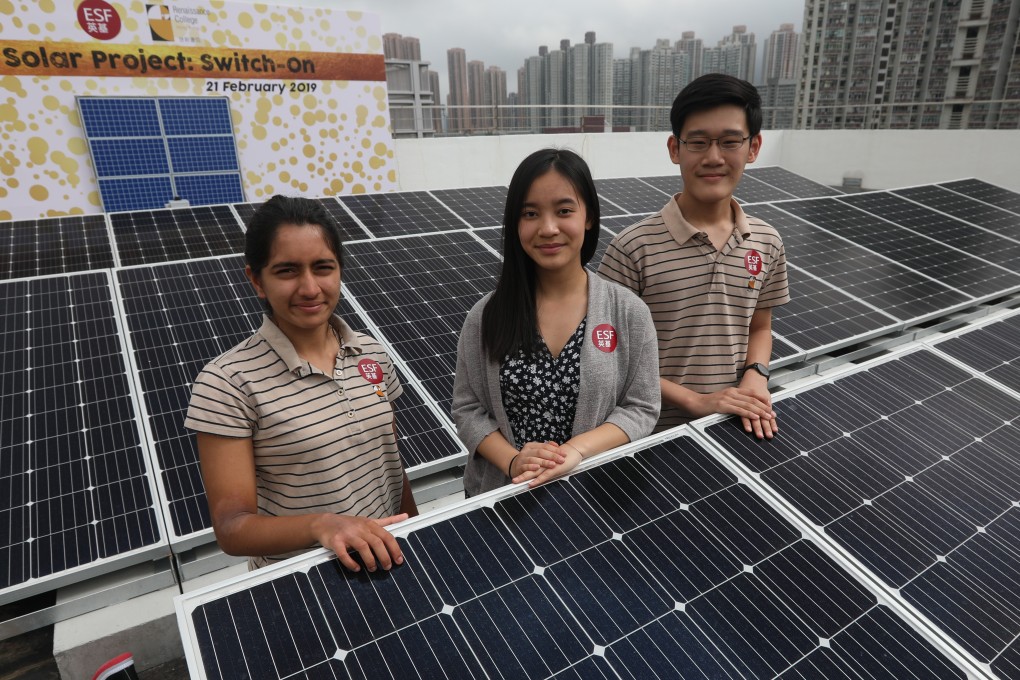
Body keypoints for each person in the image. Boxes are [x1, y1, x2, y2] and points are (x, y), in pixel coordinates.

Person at [184, 195, 416, 572]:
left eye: (323, 267)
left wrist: (416, 530)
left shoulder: (373, 354)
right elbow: (232, 528)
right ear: (257, 280)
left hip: (387, 557)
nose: (310, 288)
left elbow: (390, 464)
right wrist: (322, 525)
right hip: (301, 584)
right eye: (288, 271)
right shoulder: (226, 384)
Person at [452, 148, 660, 496]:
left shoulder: (628, 312)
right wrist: (515, 461)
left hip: (595, 493)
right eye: (530, 213)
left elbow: (642, 407)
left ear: (589, 216)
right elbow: (468, 407)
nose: (548, 228)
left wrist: (576, 451)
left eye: (564, 211)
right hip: (503, 496)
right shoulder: (486, 316)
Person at [598, 74, 790, 438]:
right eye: (698, 142)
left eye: (731, 141)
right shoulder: (632, 248)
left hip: (732, 428)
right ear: (675, 148)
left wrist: (756, 375)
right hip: (646, 439)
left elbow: (760, 327)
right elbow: (607, 356)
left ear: (753, 147)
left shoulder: (767, 241)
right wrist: (697, 401)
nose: (714, 157)